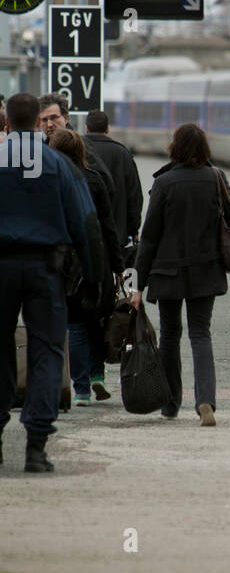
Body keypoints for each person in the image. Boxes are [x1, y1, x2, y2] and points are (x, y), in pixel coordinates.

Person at [0, 92, 102, 473]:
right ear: (36, 122)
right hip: (45, 270)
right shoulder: (57, 164)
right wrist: (93, 279)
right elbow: (85, 224)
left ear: (7, 122)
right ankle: (36, 447)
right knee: (46, 352)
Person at [132, 123, 230, 427]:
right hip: (206, 270)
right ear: (205, 148)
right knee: (200, 334)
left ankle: (170, 404)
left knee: (170, 335)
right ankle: (205, 400)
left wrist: (137, 286)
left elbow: (150, 237)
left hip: (167, 272)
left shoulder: (165, 182)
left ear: (175, 147)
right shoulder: (215, 177)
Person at [49, 128, 125, 407]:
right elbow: (108, 227)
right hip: (96, 260)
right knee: (97, 318)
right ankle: (97, 375)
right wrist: (119, 266)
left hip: (62, 264)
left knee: (75, 324)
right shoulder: (94, 180)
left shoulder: (48, 181)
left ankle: (80, 388)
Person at [84, 108, 143, 258]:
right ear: (107, 128)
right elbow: (134, 196)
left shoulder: (78, 149)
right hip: (118, 236)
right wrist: (133, 229)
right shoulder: (123, 154)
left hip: (85, 235)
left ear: (86, 128)